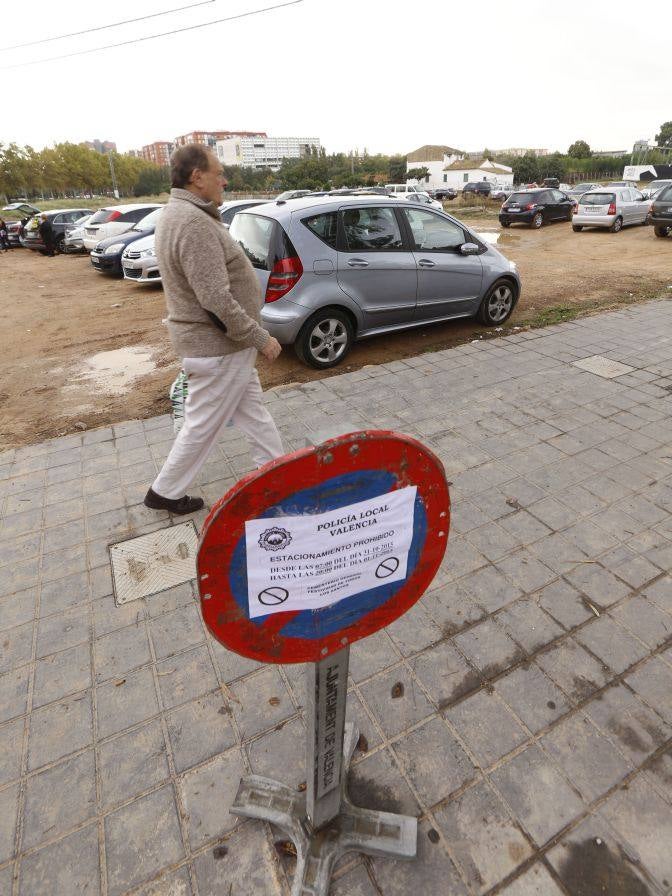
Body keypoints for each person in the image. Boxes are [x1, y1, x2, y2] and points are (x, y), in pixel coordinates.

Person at [144, 144, 284, 515]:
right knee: (202, 424)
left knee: (254, 413)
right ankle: (165, 492)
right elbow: (216, 300)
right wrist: (261, 338)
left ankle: (274, 471)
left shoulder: (182, 214)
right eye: (219, 172)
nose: (225, 180)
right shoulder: (192, 223)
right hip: (219, 348)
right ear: (197, 177)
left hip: (222, 349)